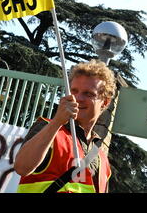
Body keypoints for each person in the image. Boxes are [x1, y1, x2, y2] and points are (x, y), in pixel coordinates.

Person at [14, 60, 116, 193]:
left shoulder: (102, 159)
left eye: (88, 93)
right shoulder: (48, 128)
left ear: (105, 102)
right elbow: (21, 168)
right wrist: (57, 122)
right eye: (74, 91)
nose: (78, 98)